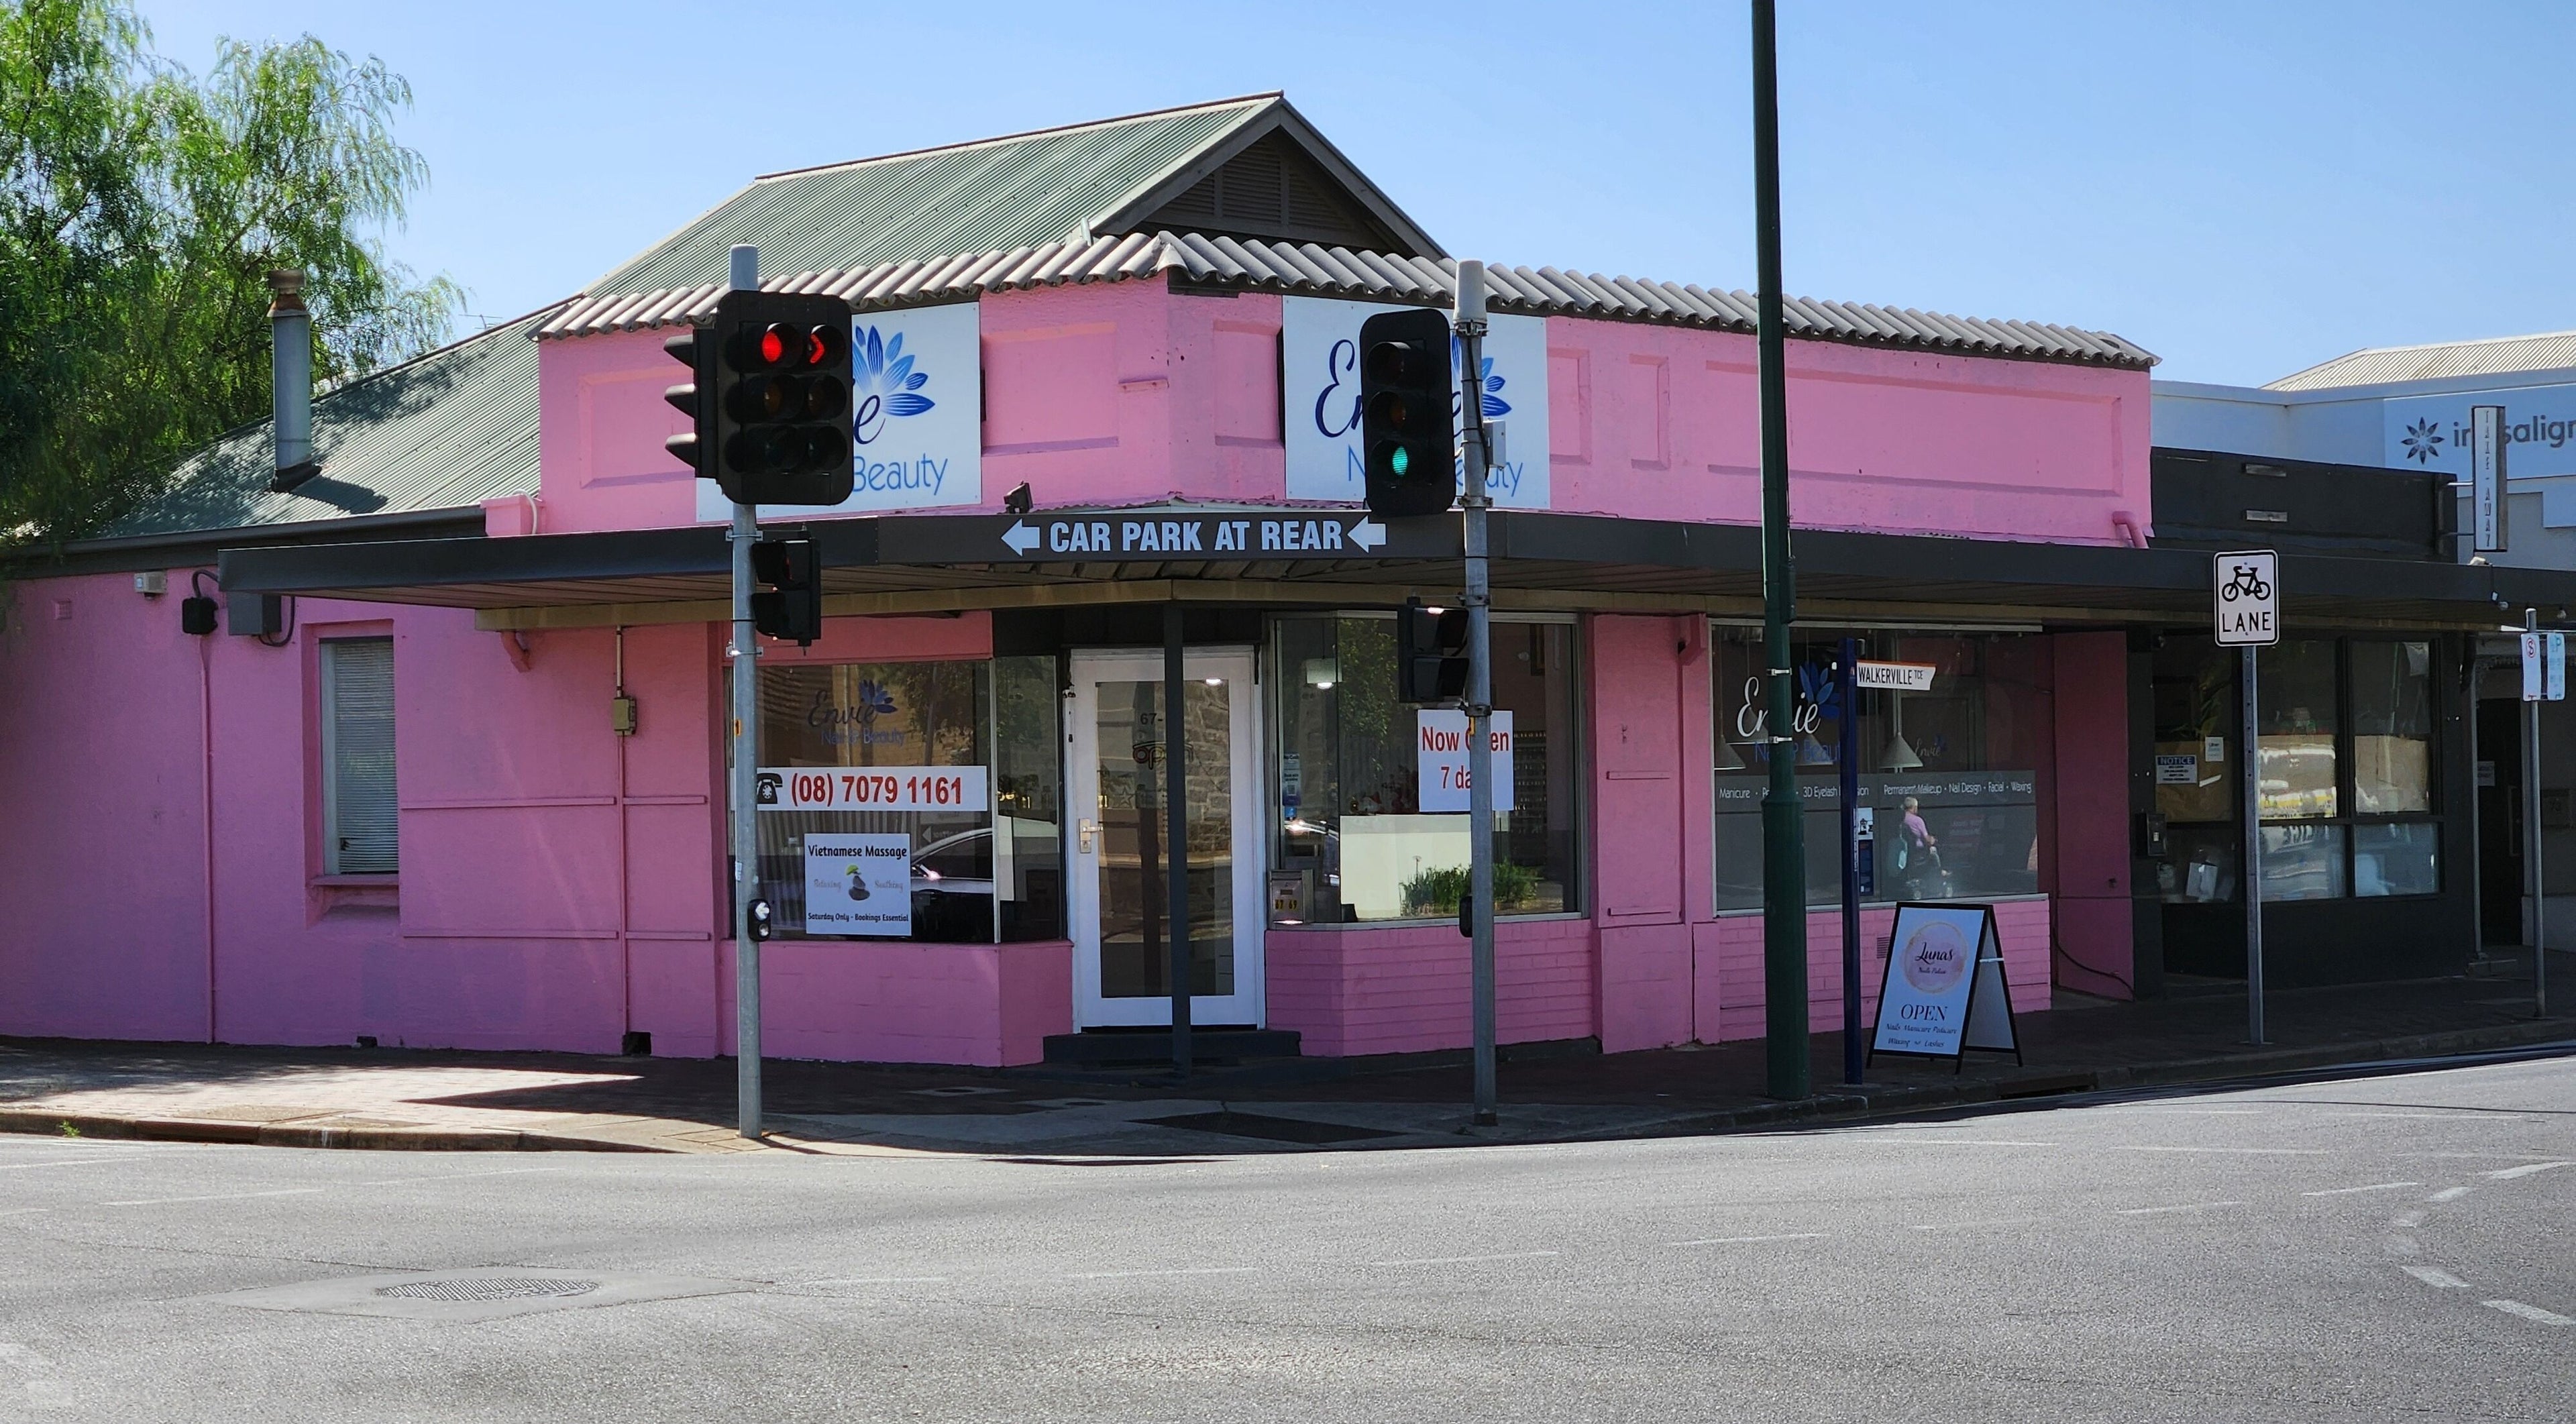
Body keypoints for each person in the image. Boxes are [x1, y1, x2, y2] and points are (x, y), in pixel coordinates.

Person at [1894, 795, 1943, 897]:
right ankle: (1939, 878)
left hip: (1908, 854)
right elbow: (1927, 839)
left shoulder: (1902, 820)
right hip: (1920, 853)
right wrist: (1933, 839)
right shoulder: (1918, 821)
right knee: (1935, 854)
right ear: (1914, 807)